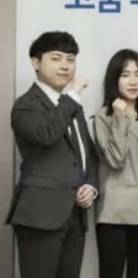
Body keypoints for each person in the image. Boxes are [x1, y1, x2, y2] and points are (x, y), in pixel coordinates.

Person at [5, 31, 98, 278]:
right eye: (56, 58)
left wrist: (91, 185)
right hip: (40, 214)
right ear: (36, 63)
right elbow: (47, 135)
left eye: (70, 59)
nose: (65, 66)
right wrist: (71, 96)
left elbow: (88, 153)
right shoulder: (26, 105)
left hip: (75, 214)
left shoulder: (72, 106)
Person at [93, 49, 138, 278]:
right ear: (114, 80)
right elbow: (115, 158)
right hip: (114, 213)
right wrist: (120, 117)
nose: (133, 81)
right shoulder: (103, 116)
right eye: (125, 75)